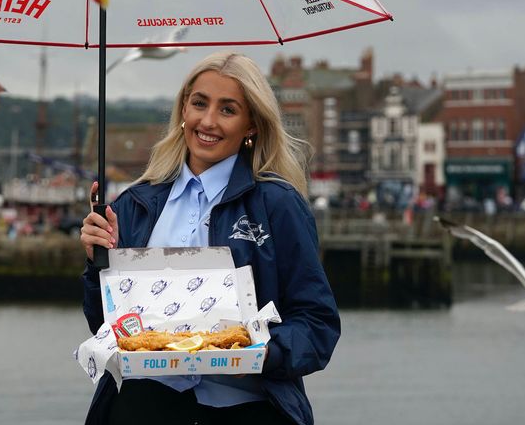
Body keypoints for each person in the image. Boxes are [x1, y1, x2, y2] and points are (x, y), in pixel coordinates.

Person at [79, 51, 340, 425]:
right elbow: (104, 324)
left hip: (246, 411)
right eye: (199, 103)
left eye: (228, 109)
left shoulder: (278, 204)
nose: (208, 121)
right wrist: (97, 263)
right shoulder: (134, 204)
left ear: (252, 125)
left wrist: (264, 353)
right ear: (184, 108)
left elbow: (317, 322)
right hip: (142, 408)